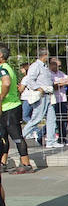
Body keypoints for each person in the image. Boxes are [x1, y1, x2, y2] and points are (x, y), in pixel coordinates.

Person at [0, 44, 33, 175]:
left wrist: (1, 97)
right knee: (3, 137)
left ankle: (26, 164)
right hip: (6, 108)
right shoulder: (6, 67)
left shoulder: (3, 69)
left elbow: (6, 83)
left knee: (16, 136)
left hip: (10, 108)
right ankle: (3, 163)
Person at [21, 48, 58, 153]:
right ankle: (21, 136)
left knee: (51, 119)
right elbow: (30, 79)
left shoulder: (44, 67)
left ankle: (50, 141)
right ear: (44, 55)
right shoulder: (35, 66)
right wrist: (38, 88)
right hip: (41, 95)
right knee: (36, 118)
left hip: (49, 95)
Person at [48, 58, 68, 148]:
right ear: (51, 64)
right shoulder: (49, 74)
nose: (58, 67)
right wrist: (61, 83)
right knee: (54, 120)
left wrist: (61, 82)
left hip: (62, 99)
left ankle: (62, 138)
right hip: (54, 100)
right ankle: (40, 134)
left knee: (64, 120)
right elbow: (53, 86)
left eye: (59, 65)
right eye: (56, 65)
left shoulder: (60, 73)